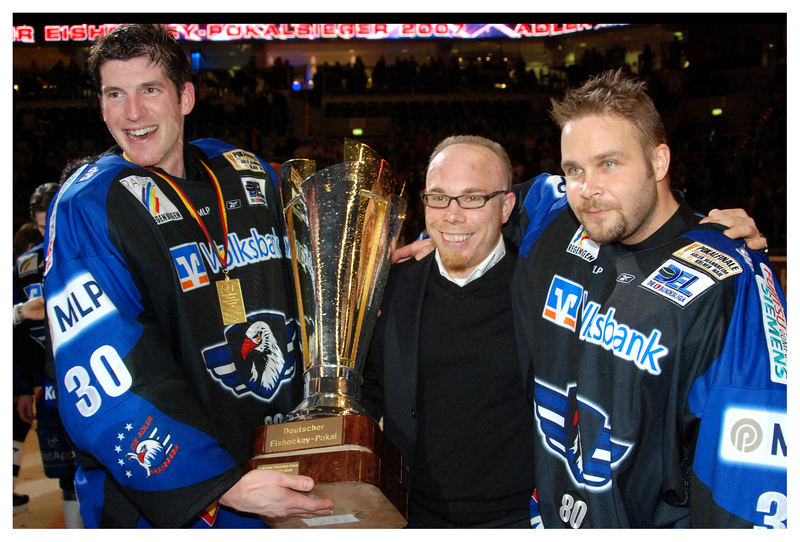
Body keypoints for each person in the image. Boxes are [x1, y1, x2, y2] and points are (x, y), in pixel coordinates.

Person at [43, 24, 333, 528]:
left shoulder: (241, 170)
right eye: (115, 94)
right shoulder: (90, 204)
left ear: (186, 96)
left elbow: (315, 260)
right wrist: (221, 485)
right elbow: (106, 369)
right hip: (180, 497)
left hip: (277, 468)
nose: (132, 114)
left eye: (150, 89)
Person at [512, 69, 786, 527]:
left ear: (659, 162)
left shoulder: (728, 281)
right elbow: (475, 205)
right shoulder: (556, 218)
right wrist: (435, 231)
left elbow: (747, 483)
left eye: (609, 164)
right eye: (573, 169)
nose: (588, 188)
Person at [363, 135, 533, 527]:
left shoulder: (540, 291)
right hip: (413, 515)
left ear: (505, 207)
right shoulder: (393, 286)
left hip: (518, 518)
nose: (451, 215)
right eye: (438, 197)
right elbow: (372, 386)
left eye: (472, 198)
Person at [13, 181, 84, 527]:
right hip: (49, 386)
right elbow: (19, 338)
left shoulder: (90, 251)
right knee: (65, 476)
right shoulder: (25, 264)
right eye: (41, 227)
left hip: (91, 377)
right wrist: (23, 388)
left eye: (52, 223)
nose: (48, 232)